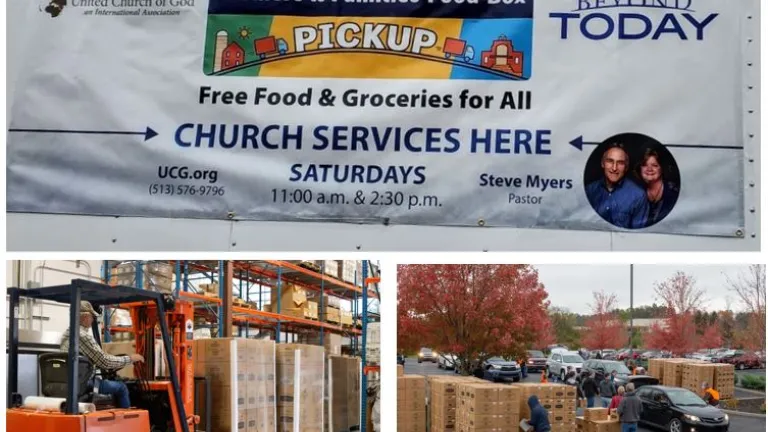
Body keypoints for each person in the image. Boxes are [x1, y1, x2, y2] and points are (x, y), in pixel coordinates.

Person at [60, 301, 145, 409]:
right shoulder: (83, 336)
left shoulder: (66, 334)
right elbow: (105, 362)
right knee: (122, 387)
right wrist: (130, 359)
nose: (92, 320)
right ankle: (127, 416)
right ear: (85, 317)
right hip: (84, 384)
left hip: (71, 382)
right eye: (92, 317)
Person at [585, 143, 650, 229]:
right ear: (603, 163)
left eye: (620, 163)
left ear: (626, 167)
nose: (614, 168)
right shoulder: (589, 191)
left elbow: (638, 234)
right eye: (610, 161)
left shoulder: (639, 195)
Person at [636, 148, 679, 227]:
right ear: (640, 168)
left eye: (655, 165)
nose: (649, 169)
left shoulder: (673, 193)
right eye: (644, 165)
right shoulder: (634, 191)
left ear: (662, 168)